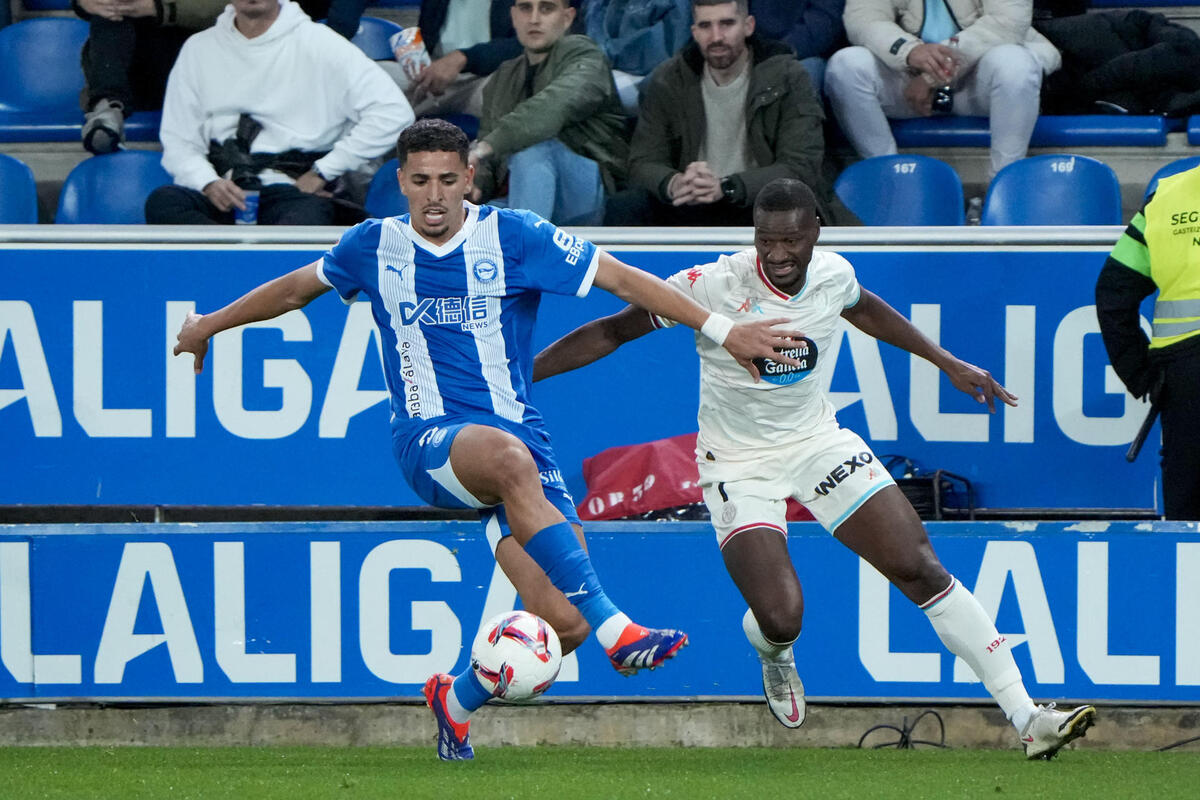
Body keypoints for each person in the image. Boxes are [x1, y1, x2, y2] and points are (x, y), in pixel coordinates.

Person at [172, 118, 801, 761]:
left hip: (522, 448)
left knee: (562, 622)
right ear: (401, 183)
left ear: (470, 178)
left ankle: (458, 698)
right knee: (514, 471)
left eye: (449, 179)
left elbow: (622, 279)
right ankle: (622, 630)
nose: (435, 195)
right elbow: (293, 290)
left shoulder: (515, 236)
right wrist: (210, 327)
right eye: (420, 182)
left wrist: (724, 329)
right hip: (429, 441)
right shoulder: (373, 246)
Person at [534, 177, 1098, 759]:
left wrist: (946, 361)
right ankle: (774, 653)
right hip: (737, 464)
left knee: (920, 567)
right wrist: (523, 376)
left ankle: (1028, 717)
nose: (777, 255)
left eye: (791, 241)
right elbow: (611, 330)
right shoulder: (711, 285)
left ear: (815, 235)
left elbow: (867, 310)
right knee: (781, 616)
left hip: (817, 443)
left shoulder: (833, 274)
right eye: (766, 241)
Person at [144, 0, 413, 226]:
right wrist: (208, 183)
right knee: (165, 202)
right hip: (222, 189)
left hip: (292, 191)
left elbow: (393, 112)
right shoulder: (198, 48)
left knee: (307, 217)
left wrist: (323, 171)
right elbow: (179, 141)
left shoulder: (321, 43)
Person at [620, 0, 853, 227]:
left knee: (787, 206)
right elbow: (642, 162)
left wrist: (728, 187)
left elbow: (800, 166)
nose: (716, 37)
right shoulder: (669, 79)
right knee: (624, 207)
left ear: (748, 25)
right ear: (693, 31)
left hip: (760, 203)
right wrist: (673, 183)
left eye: (727, 24)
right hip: (690, 203)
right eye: (705, 26)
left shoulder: (788, 76)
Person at [824, 0, 1061, 178]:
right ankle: (889, 179)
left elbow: (1007, 23)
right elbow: (863, 20)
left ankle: (1004, 183)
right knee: (845, 66)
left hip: (977, 84)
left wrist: (932, 75)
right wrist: (909, 51)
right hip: (908, 84)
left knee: (1015, 63)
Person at [1096, 164, 1200, 520]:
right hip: (1185, 368)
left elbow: (1113, 292)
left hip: (1187, 371)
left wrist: (1140, 373)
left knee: (1189, 509)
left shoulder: (1166, 198)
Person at [466, 0, 627, 226]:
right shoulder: (504, 75)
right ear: (513, 16)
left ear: (568, 17)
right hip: (526, 194)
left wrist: (483, 148)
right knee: (469, 217)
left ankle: (527, 252)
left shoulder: (586, 55)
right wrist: (476, 186)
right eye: (525, 8)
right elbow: (489, 162)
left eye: (546, 8)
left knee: (532, 149)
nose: (534, 19)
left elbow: (554, 106)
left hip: (587, 193)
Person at [73, 0, 226, 154]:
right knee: (113, 9)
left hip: (196, 71)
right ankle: (107, 109)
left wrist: (157, 8)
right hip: (136, 73)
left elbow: (235, 7)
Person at [388, 0, 524, 117]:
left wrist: (464, 58)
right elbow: (427, 34)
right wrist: (415, 59)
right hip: (436, 70)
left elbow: (524, 44)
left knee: (502, 95)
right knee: (381, 75)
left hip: (485, 77)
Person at [748, 0, 846, 100]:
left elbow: (821, 28)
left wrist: (773, 55)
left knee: (801, 76)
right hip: (753, 52)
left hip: (806, 55)